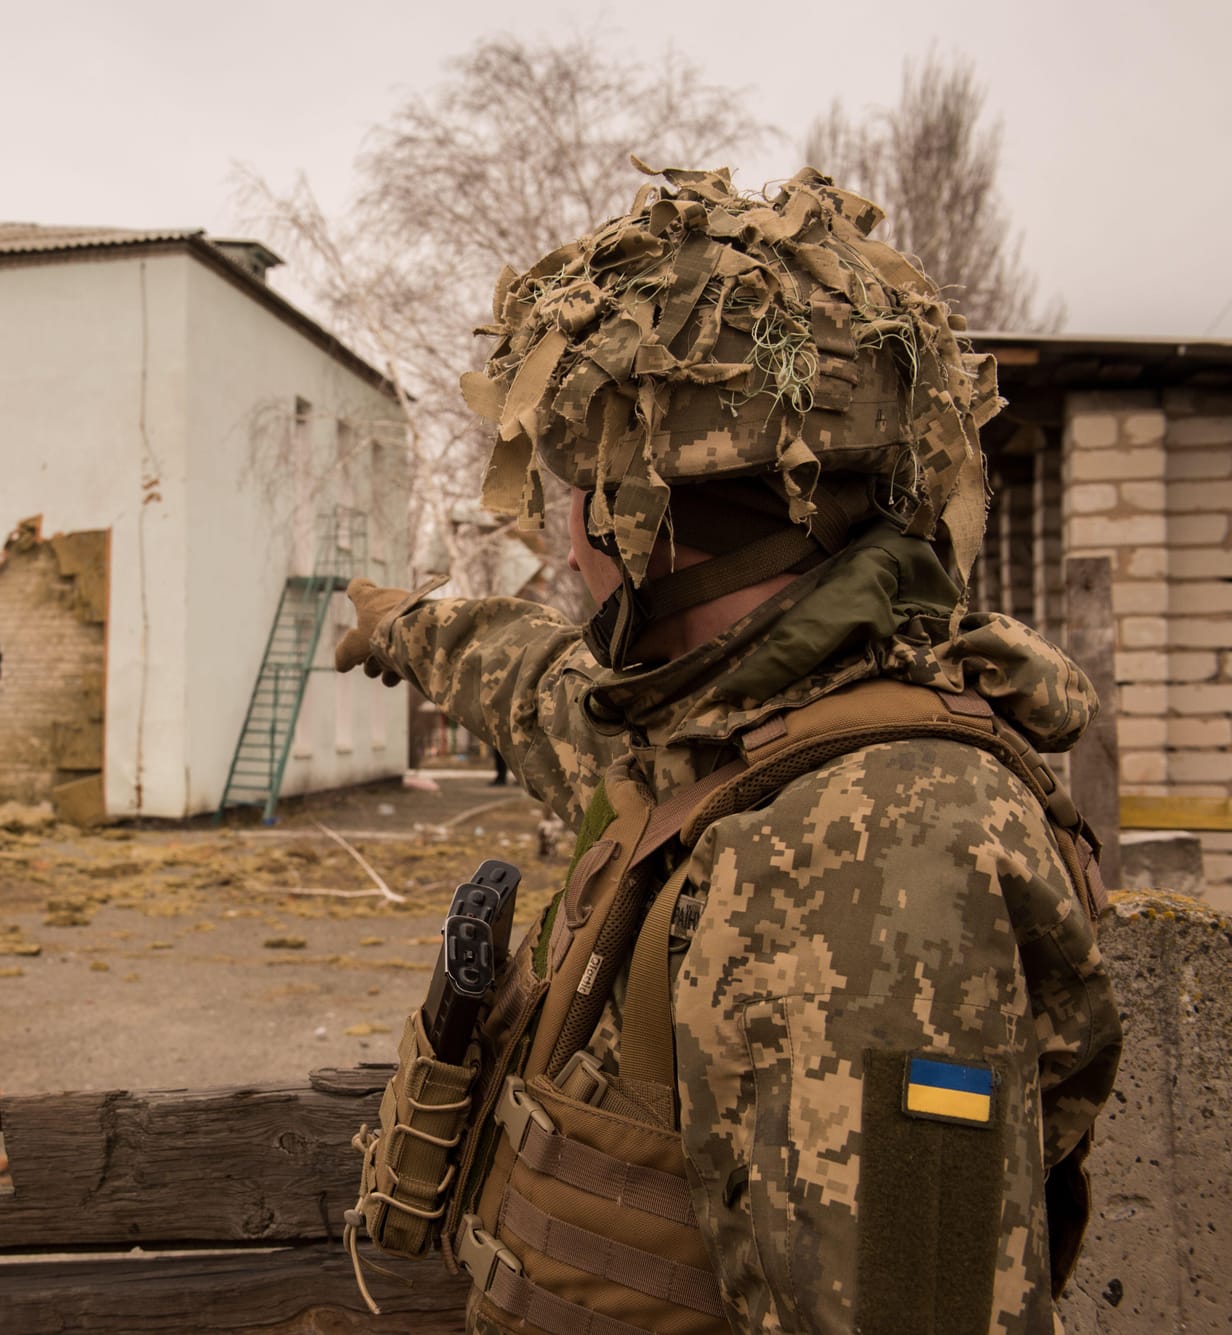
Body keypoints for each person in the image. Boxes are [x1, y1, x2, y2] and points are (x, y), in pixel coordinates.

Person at [338, 163, 1120, 1333]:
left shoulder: (866, 859)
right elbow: (554, 697)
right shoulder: (733, 739)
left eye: (576, 505)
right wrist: (411, 626)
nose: (563, 553)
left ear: (650, 530)